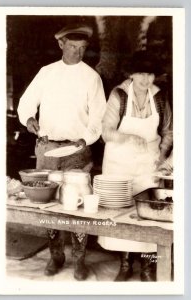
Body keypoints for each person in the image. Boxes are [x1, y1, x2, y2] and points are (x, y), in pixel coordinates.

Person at [17, 23, 106, 280]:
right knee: (50, 204)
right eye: (72, 47)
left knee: (77, 204)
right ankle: (56, 256)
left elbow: (98, 119)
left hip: (77, 149)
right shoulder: (46, 73)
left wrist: (85, 139)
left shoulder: (92, 77)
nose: (77, 53)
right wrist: (28, 119)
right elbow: (25, 102)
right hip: (47, 147)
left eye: (82, 48)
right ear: (61, 45)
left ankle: (79, 259)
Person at [98, 50, 173, 281]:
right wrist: (128, 137)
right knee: (121, 213)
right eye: (140, 73)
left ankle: (149, 267)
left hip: (147, 164)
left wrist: (161, 156)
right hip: (119, 164)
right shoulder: (118, 95)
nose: (145, 79)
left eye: (150, 74)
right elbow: (106, 132)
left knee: (150, 216)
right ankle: (125, 264)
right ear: (131, 74)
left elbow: (168, 132)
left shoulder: (159, 98)